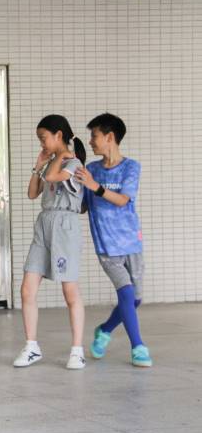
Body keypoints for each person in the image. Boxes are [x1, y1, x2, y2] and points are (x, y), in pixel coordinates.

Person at [75, 113, 152, 367]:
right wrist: (72, 185)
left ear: (110, 137)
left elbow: (122, 200)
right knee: (126, 293)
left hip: (131, 242)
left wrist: (94, 186)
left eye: (94, 136)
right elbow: (83, 207)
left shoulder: (131, 167)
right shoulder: (90, 170)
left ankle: (105, 329)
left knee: (135, 299)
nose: (90, 141)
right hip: (107, 246)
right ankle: (138, 347)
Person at [13, 114, 87, 370]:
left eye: (43, 138)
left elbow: (55, 178)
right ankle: (31, 346)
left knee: (70, 291)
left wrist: (59, 156)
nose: (41, 143)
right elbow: (32, 193)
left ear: (59, 135)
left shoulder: (73, 163)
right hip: (44, 225)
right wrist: (38, 165)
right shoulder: (52, 163)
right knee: (27, 289)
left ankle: (77, 350)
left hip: (65, 226)